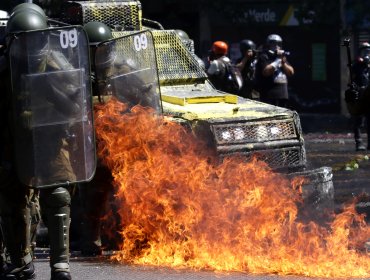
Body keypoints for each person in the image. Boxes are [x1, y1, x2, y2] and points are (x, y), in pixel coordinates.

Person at [1, 4, 96, 280]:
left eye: (35, 39)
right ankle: (20, 261)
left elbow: (76, 106)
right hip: (13, 142)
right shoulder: (4, 68)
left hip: (51, 141)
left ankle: (60, 264)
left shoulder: (58, 65)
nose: (30, 47)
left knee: (58, 195)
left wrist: (52, 91)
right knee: (11, 200)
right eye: (23, 40)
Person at [255, 34, 294, 108]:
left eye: (278, 44)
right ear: (268, 44)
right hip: (269, 95)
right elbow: (266, 72)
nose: (276, 46)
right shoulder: (264, 56)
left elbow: (291, 72)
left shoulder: (282, 57)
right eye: (273, 44)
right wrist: (277, 60)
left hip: (283, 95)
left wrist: (283, 63)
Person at [350, 42, 370, 151]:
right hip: (359, 95)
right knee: (358, 120)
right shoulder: (356, 65)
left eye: (368, 50)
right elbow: (351, 80)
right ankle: (359, 142)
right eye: (364, 50)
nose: (366, 53)